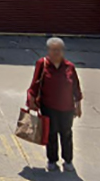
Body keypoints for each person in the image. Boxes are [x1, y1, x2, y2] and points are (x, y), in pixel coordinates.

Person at [26, 37, 83, 172]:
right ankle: (52, 160)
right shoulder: (42, 64)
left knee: (66, 134)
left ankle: (68, 161)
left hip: (67, 108)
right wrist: (31, 100)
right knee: (51, 134)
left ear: (63, 51)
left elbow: (76, 88)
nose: (56, 53)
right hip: (48, 106)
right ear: (48, 51)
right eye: (53, 50)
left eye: (58, 50)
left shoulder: (70, 67)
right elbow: (35, 84)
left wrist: (78, 106)